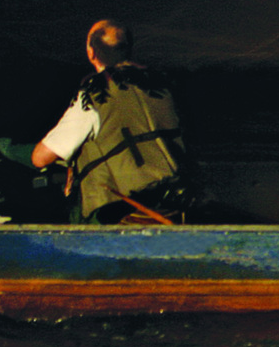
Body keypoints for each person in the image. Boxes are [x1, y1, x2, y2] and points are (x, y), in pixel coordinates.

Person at [32, 20, 188, 222]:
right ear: (128, 49)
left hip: (123, 211)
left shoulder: (97, 92)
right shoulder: (163, 85)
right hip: (178, 198)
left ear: (91, 52)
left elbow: (41, 158)